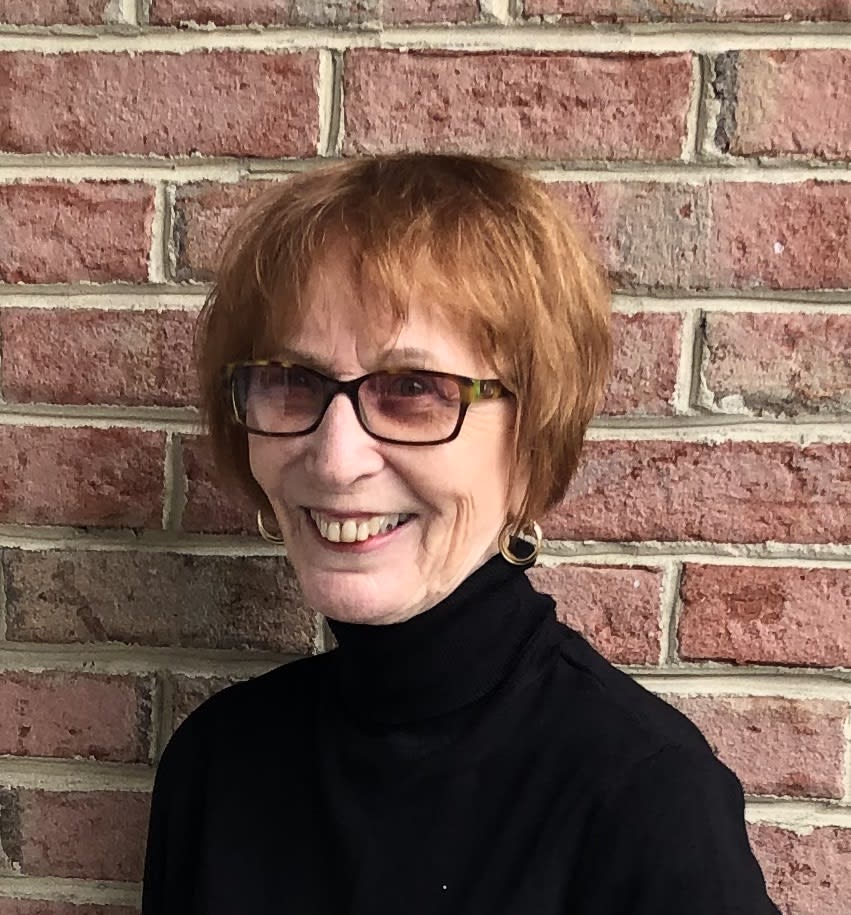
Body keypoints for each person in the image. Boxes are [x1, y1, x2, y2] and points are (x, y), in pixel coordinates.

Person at [142, 154, 780, 914]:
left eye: (413, 389)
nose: (336, 460)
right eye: (293, 381)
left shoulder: (643, 800)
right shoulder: (218, 763)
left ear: (532, 438)